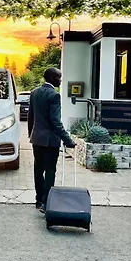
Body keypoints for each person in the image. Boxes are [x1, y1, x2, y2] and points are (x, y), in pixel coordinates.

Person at [28, 67, 76, 213]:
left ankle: (38, 200)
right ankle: (46, 203)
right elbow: (55, 122)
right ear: (52, 78)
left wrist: (31, 134)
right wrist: (68, 140)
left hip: (37, 139)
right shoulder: (54, 95)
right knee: (50, 171)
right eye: (58, 78)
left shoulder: (34, 92)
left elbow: (31, 117)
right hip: (50, 140)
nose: (60, 81)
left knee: (38, 170)